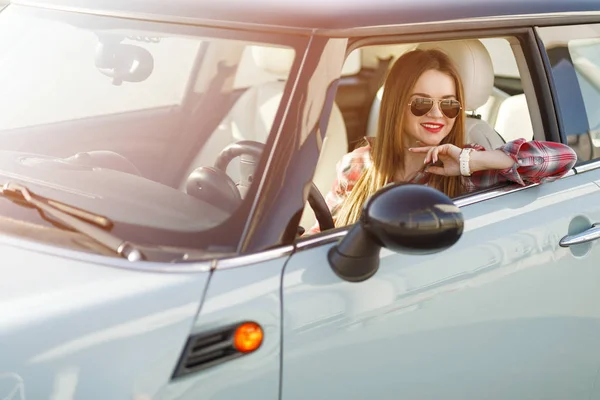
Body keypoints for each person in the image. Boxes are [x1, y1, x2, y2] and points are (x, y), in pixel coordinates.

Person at [308, 48, 577, 234]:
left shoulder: (464, 172)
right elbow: (323, 233)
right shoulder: (359, 163)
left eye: (449, 105)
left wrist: (471, 160)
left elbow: (563, 158)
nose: (437, 114)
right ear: (395, 105)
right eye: (422, 102)